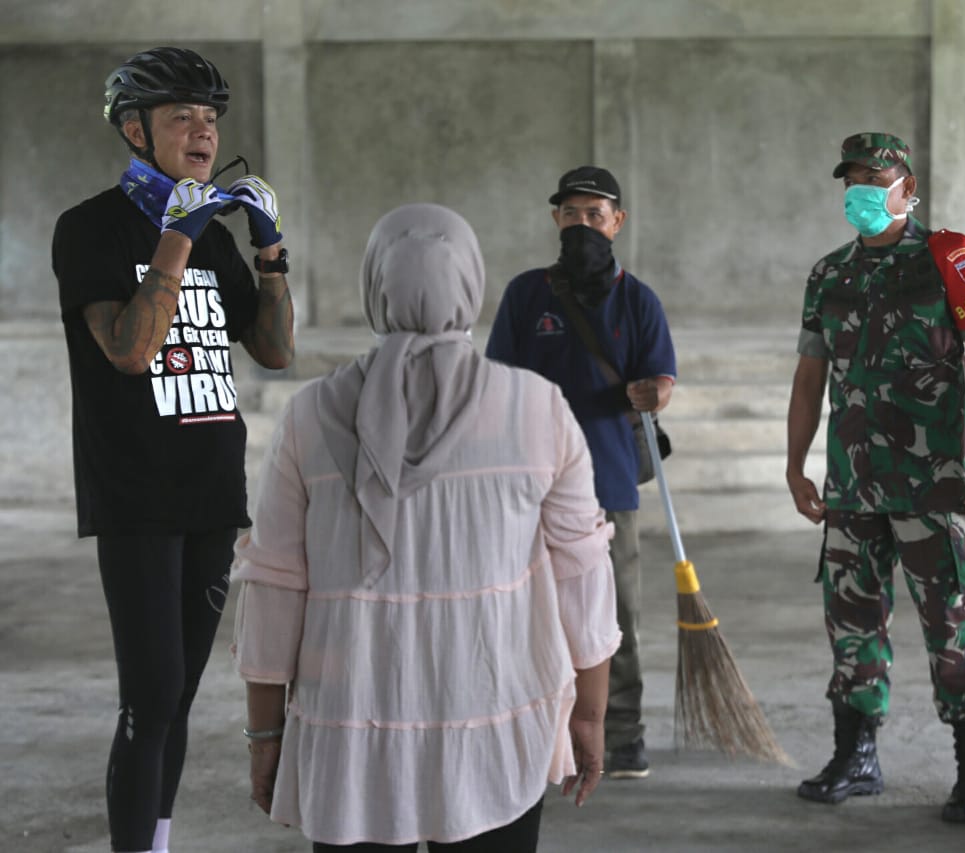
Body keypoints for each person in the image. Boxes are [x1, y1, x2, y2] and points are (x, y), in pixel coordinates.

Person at [232, 203, 619, 852]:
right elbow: (582, 569)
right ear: (471, 283)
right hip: (492, 729)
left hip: (351, 732)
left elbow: (274, 584)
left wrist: (266, 735)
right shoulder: (537, 408)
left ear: (372, 288)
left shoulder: (310, 414)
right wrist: (591, 711)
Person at [50, 46, 294, 853]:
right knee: (147, 698)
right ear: (134, 129)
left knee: (181, 697)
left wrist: (268, 254)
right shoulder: (89, 228)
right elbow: (127, 349)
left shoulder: (212, 239)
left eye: (211, 118)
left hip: (210, 490)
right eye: (181, 116)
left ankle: (156, 840)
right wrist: (176, 240)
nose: (202, 132)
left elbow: (274, 350)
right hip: (137, 495)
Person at [785, 132, 965, 824]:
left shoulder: (951, 260)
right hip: (853, 486)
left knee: (951, 624)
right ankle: (856, 756)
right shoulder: (829, 274)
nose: (860, 190)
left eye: (874, 178)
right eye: (851, 178)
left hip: (934, 487)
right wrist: (794, 464)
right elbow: (808, 380)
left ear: (907, 189)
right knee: (852, 623)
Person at [485, 166, 677, 779]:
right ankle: (533, 728)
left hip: (609, 484)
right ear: (555, 220)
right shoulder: (525, 294)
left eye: (595, 215)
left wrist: (654, 391)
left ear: (617, 222)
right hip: (529, 487)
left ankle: (622, 734)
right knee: (524, 614)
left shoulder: (638, 300)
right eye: (571, 214)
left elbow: (661, 378)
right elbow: (496, 383)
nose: (582, 225)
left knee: (613, 618)